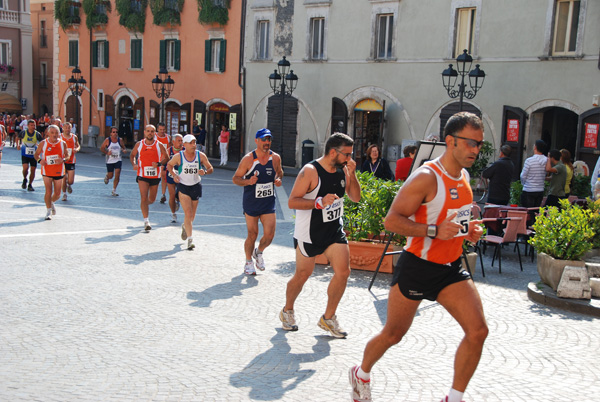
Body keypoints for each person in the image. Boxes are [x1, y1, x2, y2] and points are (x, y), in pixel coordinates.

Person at [349, 112, 487, 402]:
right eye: (471, 143)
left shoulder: (463, 175)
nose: (476, 149)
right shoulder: (426, 177)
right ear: (451, 141)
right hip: (418, 267)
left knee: (478, 332)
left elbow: (453, 219)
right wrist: (434, 230)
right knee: (393, 334)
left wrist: (467, 230)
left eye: (479, 144)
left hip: (450, 269)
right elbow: (391, 221)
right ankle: (361, 372)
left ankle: (454, 397)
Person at [280, 132, 361, 338]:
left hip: (334, 231)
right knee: (302, 275)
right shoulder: (310, 171)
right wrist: (318, 202)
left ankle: (328, 317)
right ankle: (287, 310)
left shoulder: (344, 169)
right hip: (309, 233)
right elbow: (292, 202)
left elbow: (355, 197)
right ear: (333, 152)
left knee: (343, 272)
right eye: (347, 155)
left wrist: (353, 174)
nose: (349, 159)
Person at [232, 128, 284, 275]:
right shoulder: (249, 159)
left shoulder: (275, 158)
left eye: (269, 139)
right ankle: (248, 262)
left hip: (268, 202)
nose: (267, 142)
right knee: (252, 234)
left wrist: (279, 179)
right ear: (256, 141)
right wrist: (248, 181)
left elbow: (280, 172)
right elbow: (235, 179)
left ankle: (258, 252)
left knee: (269, 235)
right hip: (251, 202)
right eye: (263, 139)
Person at [167, 134, 213, 250]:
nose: (193, 145)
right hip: (183, 187)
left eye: (194, 142)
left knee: (192, 216)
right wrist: (174, 175)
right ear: (185, 145)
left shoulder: (200, 155)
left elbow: (210, 168)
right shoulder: (179, 156)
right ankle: (190, 240)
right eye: (191, 143)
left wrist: (205, 172)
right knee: (188, 213)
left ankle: (185, 226)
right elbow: (169, 165)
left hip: (196, 186)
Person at [129, 124, 168, 231]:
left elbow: (167, 158)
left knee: (151, 199)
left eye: (152, 131)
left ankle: (144, 206)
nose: (150, 133)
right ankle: (146, 221)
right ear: (145, 132)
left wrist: (159, 164)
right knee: (144, 197)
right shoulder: (139, 144)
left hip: (155, 175)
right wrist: (134, 164)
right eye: (148, 131)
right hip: (142, 175)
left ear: (154, 133)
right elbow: (132, 155)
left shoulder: (159, 145)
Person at [33, 125, 68, 220]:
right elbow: (36, 155)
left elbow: (67, 155)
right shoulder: (43, 143)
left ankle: (51, 202)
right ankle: (48, 211)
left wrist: (63, 159)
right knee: (48, 191)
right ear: (48, 133)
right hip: (47, 170)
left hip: (58, 171)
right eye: (52, 133)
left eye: (56, 132)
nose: (54, 135)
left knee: (57, 194)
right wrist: (40, 161)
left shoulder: (62, 143)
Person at [520, 139, 547, 207]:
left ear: (535, 147)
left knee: (527, 211)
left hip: (529, 189)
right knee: (536, 211)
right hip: (540, 189)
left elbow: (523, 175)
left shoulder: (529, 160)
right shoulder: (546, 160)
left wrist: (524, 184)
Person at [100, 126, 127, 196]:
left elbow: (123, 147)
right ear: (110, 133)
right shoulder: (107, 140)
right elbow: (102, 148)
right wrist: (107, 152)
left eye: (116, 132)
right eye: (113, 132)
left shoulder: (120, 140)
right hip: (110, 160)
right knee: (111, 175)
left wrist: (124, 150)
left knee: (117, 174)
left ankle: (114, 190)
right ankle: (107, 176)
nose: (115, 133)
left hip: (118, 159)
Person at [19, 119, 43, 191]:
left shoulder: (37, 134)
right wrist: (18, 144)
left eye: (34, 125)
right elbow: (18, 137)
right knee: (25, 168)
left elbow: (42, 142)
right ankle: (25, 179)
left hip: (34, 155)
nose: (33, 126)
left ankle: (30, 184)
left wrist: (40, 147)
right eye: (31, 125)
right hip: (25, 154)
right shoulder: (23, 132)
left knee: (33, 170)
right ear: (28, 126)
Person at [60, 122, 81, 201]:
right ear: (63, 128)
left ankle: (69, 185)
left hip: (71, 160)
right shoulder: (60, 137)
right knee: (63, 179)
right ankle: (64, 194)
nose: (67, 129)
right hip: (62, 161)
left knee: (71, 181)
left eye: (69, 128)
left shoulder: (74, 137)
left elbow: (78, 145)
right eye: (66, 127)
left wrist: (76, 149)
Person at [166, 133, 184, 223]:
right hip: (171, 175)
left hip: (182, 176)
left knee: (181, 195)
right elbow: (164, 161)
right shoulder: (169, 151)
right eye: (179, 141)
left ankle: (178, 199)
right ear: (173, 142)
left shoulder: (185, 151)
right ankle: (173, 214)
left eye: (182, 141)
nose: (181, 143)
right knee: (171, 195)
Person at [156, 122, 171, 204]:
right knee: (154, 178)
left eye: (163, 129)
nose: (162, 131)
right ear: (157, 129)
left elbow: (170, 148)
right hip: (155, 159)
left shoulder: (168, 137)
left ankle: (163, 194)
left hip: (164, 160)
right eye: (160, 129)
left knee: (163, 176)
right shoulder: (154, 136)